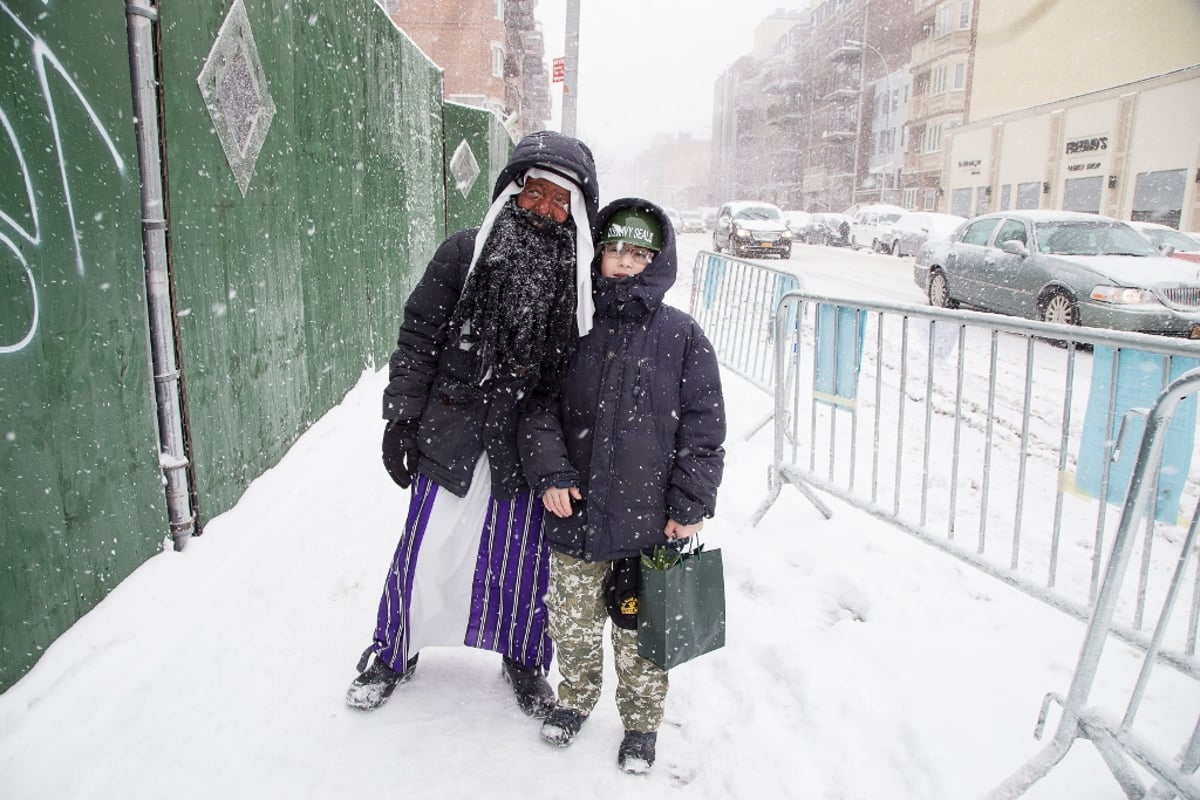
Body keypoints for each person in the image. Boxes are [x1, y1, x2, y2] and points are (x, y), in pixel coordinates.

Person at [346, 130, 600, 718]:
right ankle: (392, 651)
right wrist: (401, 419)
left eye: (559, 201)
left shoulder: (580, 285)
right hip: (453, 434)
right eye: (533, 194)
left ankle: (524, 659)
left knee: (523, 561)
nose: (543, 210)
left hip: (527, 449)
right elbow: (418, 338)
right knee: (425, 550)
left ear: (576, 212)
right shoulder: (464, 254)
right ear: (511, 194)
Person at [518, 198, 726, 773]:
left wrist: (691, 501)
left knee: (641, 635)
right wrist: (552, 473)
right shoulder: (573, 326)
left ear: (658, 261)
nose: (627, 263)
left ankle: (640, 724)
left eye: (640, 254)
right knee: (574, 623)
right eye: (616, 251)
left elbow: (704, 427)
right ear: (599, 255)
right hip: (576, 518)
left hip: (649, 526)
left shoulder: (682, 336)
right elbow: (538, 409)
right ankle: (575, 698)